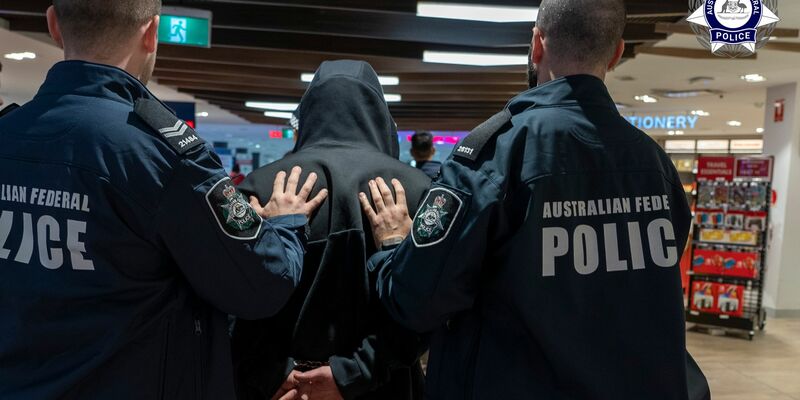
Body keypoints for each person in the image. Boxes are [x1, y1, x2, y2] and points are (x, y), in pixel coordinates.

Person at [358, 0, 710, 399]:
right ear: (616, 53)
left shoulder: (495, 155)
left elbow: (416, 300)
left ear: (537, 43)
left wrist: (391, 246)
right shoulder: (655, 164)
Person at [0, 1, 327, 399]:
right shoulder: (163, 156)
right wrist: (284, 223)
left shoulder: (8, 135)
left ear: (53, 24)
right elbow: (263, 283)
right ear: (152, 33)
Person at [232, 60, 430, 400]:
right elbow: (427, 312)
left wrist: (272, 373)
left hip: (283, 392)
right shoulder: (415, 191)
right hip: (383, 387)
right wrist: (353, 373)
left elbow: (226, 304)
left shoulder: (262, 188)